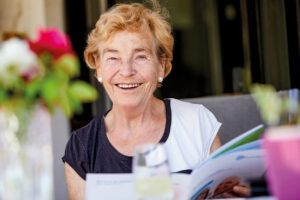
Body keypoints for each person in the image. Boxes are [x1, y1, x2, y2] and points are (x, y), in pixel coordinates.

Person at [62, 1, 250, 199]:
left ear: (161, 66)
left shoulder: (197, 122)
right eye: (113, 58)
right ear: (98, 68)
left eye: (140, 57)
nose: (126, 71)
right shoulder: (81, 147)